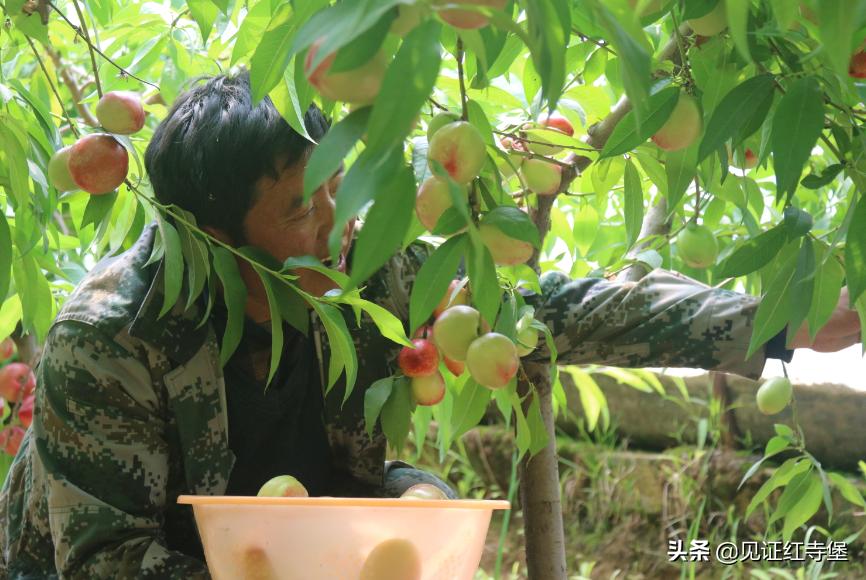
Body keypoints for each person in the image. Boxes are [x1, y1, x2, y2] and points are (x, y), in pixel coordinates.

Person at [0, 70, 859, 579]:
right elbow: (106, 564)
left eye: (337, 186)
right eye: (301, 209)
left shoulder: (358, 266)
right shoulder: (110, 340)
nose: (337, 223)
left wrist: (771, 322)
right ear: (215, 239)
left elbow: (544, 312)